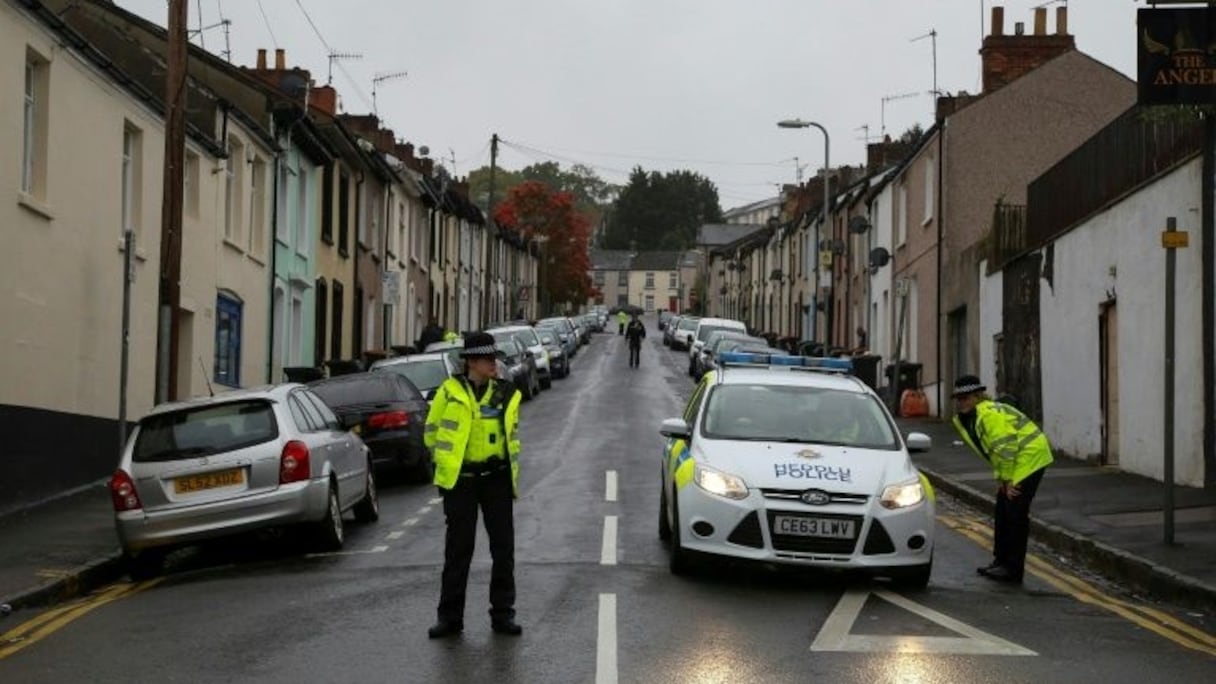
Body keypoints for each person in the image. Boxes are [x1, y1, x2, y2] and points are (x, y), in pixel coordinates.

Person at [425, 331, 524, 638]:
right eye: (487, 359)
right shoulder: (448, 391)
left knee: (503, 551)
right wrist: (448, 464)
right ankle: (450, 618)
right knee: (458, 551)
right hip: (461, 482)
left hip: (496, 480)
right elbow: (431, 432)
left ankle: (503, 615)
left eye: (495, 358)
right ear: (471, 362)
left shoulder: (506, 393)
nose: (494, 363)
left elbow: (512, 438)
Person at [951, 375, 1053, 584]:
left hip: (1030, 458)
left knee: (1015, 513)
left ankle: (1012, 569)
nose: (961, 402)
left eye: (965, 397)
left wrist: (1009, 480)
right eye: (958, 398)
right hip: (1019, 460)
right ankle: (1001, 561)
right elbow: (994, 451)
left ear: (978, 396)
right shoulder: (974, 416)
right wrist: (1001, 480)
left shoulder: (988, 414)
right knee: (1003, 509)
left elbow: (1004, 447)